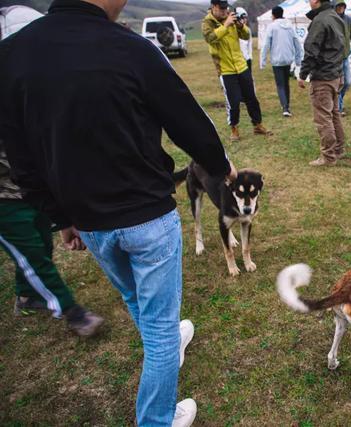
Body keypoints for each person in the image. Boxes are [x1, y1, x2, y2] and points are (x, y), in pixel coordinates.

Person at [0, 0, 237, 425]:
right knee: (160, 329)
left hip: (87, 219)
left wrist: (60, 218)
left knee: (137, 299)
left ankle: (168, 345)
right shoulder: (129, 47)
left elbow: (21, 156)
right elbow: (187, 119)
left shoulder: (13, 53)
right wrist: (220, 167)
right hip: (146, 216)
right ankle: (156, 420)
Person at [0, 139, 104, 337]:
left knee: (43, 245)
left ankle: (26, 296)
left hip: (28, 189)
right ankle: (73, 312)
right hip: (4, 203)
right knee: (32, 257)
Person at [202, 0, 271, 142]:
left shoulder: (230, 16)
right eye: (221, 8)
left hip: (241, 65)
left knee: (251, 97)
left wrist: (241, 26)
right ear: (214, 7)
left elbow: (246, 36)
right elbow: (210, 39)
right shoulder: (207, 23)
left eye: (225, 8)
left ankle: (257, 124)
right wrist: (226, 25)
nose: (224, 11)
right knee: (233, 102)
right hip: (225, 69)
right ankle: (234, 128)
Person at [298, 0, 346, 166]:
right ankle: (338, 149)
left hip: (324, 77)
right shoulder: (336, 17)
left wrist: (302, 74)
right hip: (336, 74)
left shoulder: (320, 20)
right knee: (333, 114)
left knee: (323, 118)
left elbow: (311, 50)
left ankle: (328, 156)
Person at [260, 5, 303, 117]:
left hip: (277, 60)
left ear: (273, 15)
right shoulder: (290, 26)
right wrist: (298, 60)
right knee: (286, 83)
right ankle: (287, 105)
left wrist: (263, 61)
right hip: (288, 59)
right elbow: (297, 43)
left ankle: (285, 108)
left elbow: (266, 45)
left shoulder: (272, 27)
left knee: (280, 84)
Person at [334, 0, 351, 116]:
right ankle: (338, 108)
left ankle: (338, 103)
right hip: (334, 58)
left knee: (347, 82)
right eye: (338, 6)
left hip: (345, 56)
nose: (341, 8)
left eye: (342, 6)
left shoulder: (348, 19)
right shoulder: (331, 19)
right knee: (339, 83)